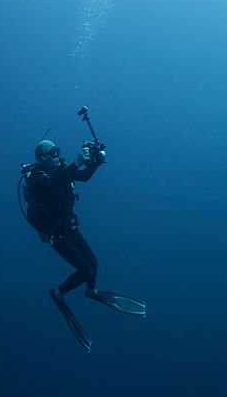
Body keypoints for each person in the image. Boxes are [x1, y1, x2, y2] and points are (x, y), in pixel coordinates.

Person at [22, 138, 145, 351]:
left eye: (57, 151)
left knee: (94, 263)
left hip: (70, 228)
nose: (56, 155)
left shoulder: (60, 171)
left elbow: (82, 177)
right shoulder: (36, 179)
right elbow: (50, 184)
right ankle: (58, 293)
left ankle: (91, 291)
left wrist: (94, 163)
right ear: (41, 158)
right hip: (56, 235)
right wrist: (77, 161)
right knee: (85, 268)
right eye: (52, 153)